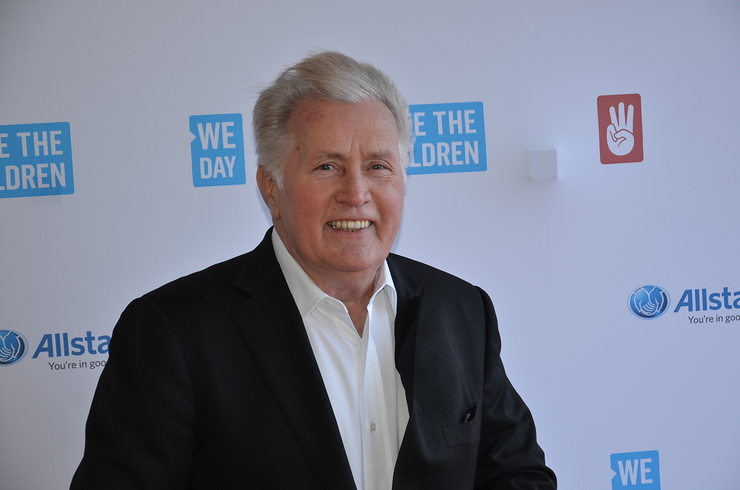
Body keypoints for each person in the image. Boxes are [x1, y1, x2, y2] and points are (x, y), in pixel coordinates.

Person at [70, 51, 557, 490]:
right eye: (328, 166)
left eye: (379, 166)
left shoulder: (463, 310)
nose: (357, 193)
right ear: (271, 189)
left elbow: (517, 473)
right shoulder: (173, 331)